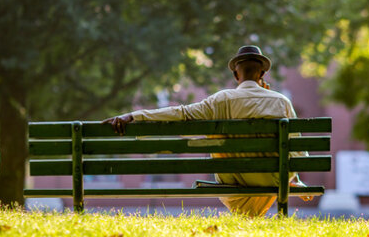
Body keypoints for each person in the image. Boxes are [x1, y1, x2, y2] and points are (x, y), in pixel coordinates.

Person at [101, 45, 311, 217]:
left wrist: (135, 116)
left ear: (236, 74)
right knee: (282, 157)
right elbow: (296, 148)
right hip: (272, 178)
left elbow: (181, 113)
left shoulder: (220, 100)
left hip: (234, 181)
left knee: (223, 146)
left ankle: (250, 215)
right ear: (262, 73)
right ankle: (291, 183)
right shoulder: (281, 102)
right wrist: (293, 177)